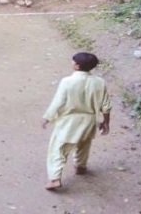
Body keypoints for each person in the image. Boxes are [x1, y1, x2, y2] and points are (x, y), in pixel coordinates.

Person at [42, 52, 111, 190]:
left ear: (77, 66)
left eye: (73, 61)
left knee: (59, 149)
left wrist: (47, 117)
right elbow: (106, 106)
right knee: (84, 145)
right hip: (89, 120)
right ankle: (80, 166)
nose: (71, 63)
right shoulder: (99, 82)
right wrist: (106, 122)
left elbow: (58, 102)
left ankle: (55, 178)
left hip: (69, 121)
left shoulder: (67, 82)